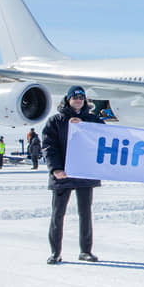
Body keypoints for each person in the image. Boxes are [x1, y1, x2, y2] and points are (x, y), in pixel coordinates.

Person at [42, 86, 104, 265]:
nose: (78, 100)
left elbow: (105, 136)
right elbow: (49, 147)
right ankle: (55, 252)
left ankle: (85, 251)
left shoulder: (92, 120)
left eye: (81, 97)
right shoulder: (56, 121)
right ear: (68, 99)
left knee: (85, 214)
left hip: (84, 173)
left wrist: (85, 126)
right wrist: (55, 169)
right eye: (75, 97)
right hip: (63, 174)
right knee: (57, 215)